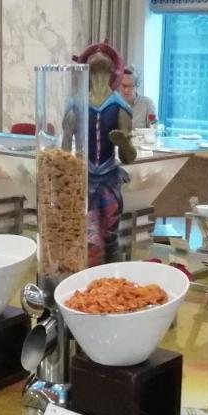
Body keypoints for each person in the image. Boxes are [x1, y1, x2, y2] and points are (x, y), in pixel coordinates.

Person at [73, 42, 136, 266]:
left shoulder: (120, 107)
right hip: (85, 178)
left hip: (109, 177)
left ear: (113, 70)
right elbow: (63, 148)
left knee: (110, 238)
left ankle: (110, 284)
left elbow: (130, 157)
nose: (98, 52)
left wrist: (124, 144)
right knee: (88, 240)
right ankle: (87, 287)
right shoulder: (76, 105)